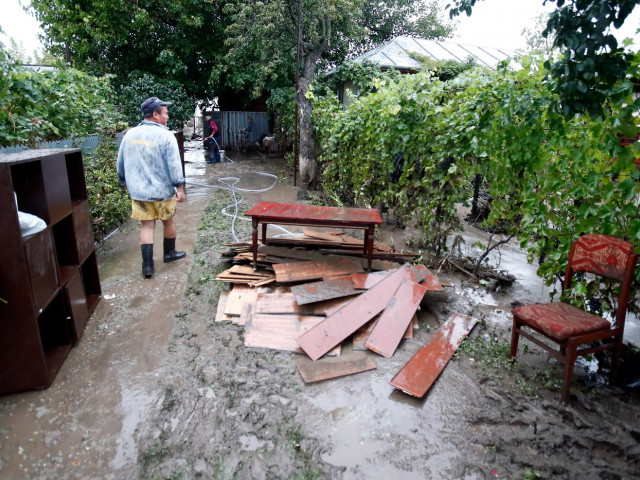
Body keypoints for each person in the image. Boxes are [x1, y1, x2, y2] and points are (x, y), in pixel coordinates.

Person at [117, 96, 187, 278]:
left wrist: (124, 181)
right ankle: (169, 254)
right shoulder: (166, 136)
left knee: (146, 226)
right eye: (165, 113)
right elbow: (174, 165)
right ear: (155, 115)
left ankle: (147, 267)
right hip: (162, 193)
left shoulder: (129, 134)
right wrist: (179, 187)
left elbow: (121, 163)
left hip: (139, 193)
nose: (168, 117)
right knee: (168, 221)